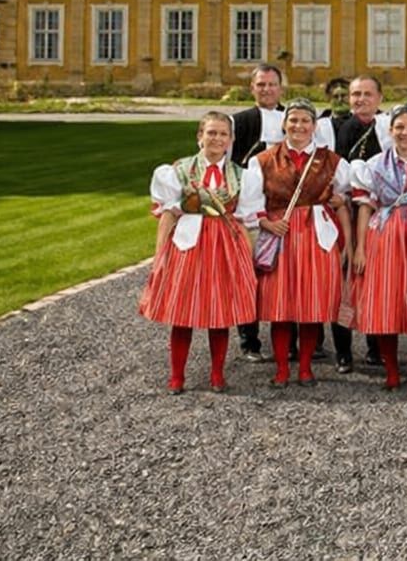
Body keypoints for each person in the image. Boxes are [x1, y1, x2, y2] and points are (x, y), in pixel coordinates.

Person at [237, 98, 354, 387]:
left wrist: (341, 203)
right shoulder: (263, 160)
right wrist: (266, 223)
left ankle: (305, 368)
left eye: (305, 121)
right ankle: (281, 368)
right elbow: (250, 202)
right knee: (281, 306)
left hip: (318, 236)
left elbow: (345, 196)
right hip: (282, 234)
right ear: (284, 124)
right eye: (293, 120)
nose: (299, 126)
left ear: (314, 126)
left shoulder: (333, 160)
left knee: (311, 305)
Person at [141, 112, 258, 394]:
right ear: (199, 136)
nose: (217, 139)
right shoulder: (179, 171)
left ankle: (217, 374)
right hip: (188, 243)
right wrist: (160, 257)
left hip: (224, 245)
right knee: (183, 313)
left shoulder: (243, 176)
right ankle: (177, 376)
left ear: (230, 140)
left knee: (219, 313)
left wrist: (249, 259)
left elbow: (244, 220)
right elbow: (169, 215)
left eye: (222, 134)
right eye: (211, 133)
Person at [349, 104, 407, 391]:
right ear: (390, 131)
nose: (405, 133)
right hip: (385, 234)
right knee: (386, 300)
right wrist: (360, 248)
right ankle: (391, 369)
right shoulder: (374, 165)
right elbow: (365, 208)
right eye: (399, 127)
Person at [316, 74, 390, 373]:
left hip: (378, 215)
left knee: (375, 282)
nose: (360, 100)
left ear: (379, 98)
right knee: (341, 283)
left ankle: (376, 347)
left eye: (367, 94)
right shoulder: (333, 129)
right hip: (342, 212)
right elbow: (320, 170)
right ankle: (344, 351)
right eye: (355, 94)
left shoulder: (388, 127)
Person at [230, 63, 285, 361]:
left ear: (281, 87)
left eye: (271, 84)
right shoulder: (238, 122)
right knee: (248, 274)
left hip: (282, 211)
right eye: (261, 84)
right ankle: (249, 340)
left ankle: (287, 341)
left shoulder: (294, 118)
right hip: (249, 211)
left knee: (284, 275)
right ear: (252, 88)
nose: (266, 89)